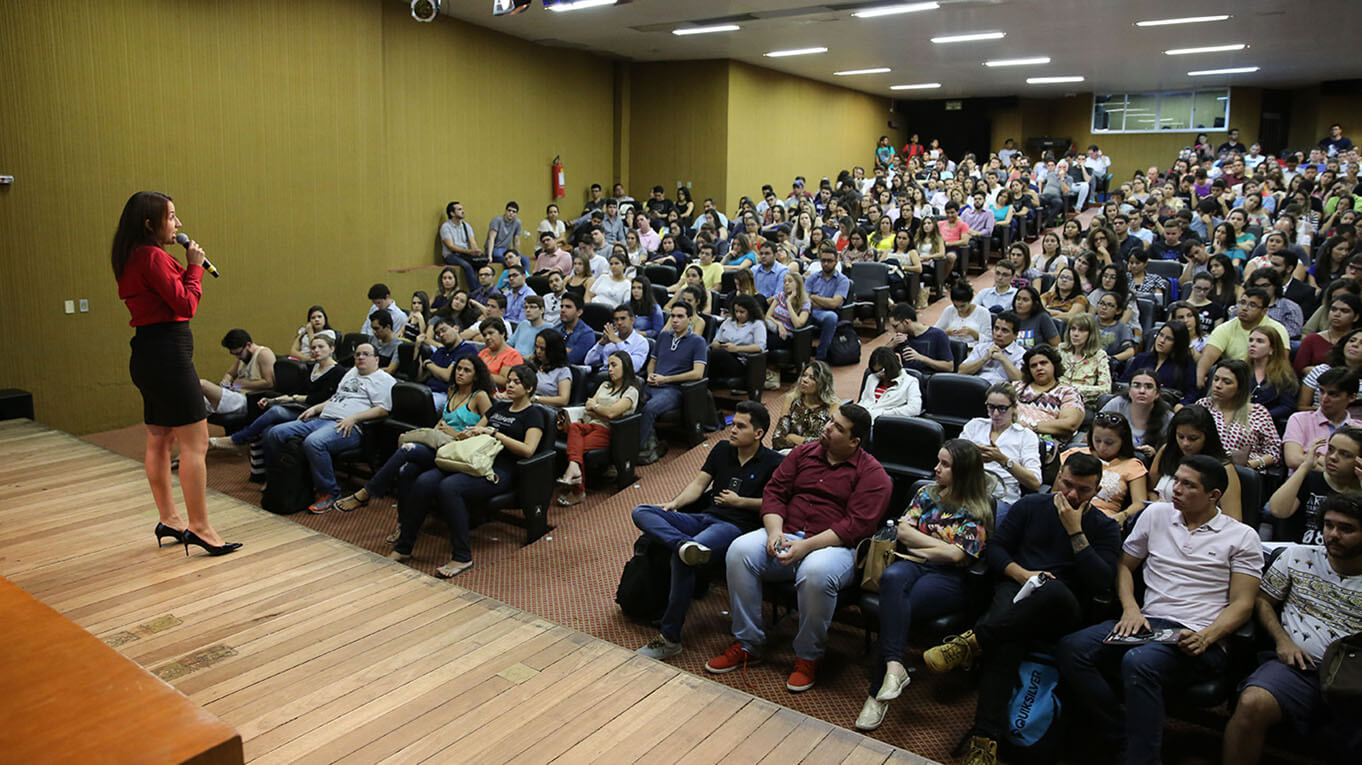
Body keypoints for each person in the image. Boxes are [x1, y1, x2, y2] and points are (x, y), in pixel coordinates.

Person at [1056, 455, 1263, 765]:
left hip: (1196, 636)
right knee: (1072, 648)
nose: (1174, 488)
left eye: (1187, 485)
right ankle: (1121, 733)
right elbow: (1124, 567)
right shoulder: (1156, 515)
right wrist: (1130, 609)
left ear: (1214, 495)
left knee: (1141, 662)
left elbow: (1243, 604)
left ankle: (1142, 758)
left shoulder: (1242, 536)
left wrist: (1208, 636)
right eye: (1176, 480)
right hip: (1148, 624)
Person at [922, 454, 1120, 765]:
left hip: (1063, 609)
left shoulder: (1104, 527)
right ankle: (984, 741)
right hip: (1016, 591)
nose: (1071, 495)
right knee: (1006, 643)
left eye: (1082, 490)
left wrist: (1074, 532)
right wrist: (1022, 574)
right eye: (1066, 485)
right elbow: (997, 549)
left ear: (1096, 490)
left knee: (1050, 588)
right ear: (1058, 478)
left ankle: (972, 641)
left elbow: (1100, 581)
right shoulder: (1031, 506)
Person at [705, 405, 891, 692]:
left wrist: (805, 546)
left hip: (835, 547)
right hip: (788, 531)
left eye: (838, 428)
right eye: (830, 421)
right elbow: (774, 493)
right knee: (739, 551)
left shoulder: (874, 476)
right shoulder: (802, 454)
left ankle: (807, 657)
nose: (828, 428)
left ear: (855, 442)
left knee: (815, 572)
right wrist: (774, 531)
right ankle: (748, 643)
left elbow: (855, 527)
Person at [113, 191, 239, 555]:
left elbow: (167, 295)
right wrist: (195, 266)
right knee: (195, 444)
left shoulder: (131, 255)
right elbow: (186, 304)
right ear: (150, 223)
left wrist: (185, 269)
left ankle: (170, 520)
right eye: (171, 216)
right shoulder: (152, 256)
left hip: (148, 354)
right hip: (168, 357)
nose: (178, 223)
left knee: (159, 438)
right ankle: (200, 528)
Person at [857, 440, 993, 731]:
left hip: (949, 579)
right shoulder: (925, 493)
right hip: (912, 563)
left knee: (896, 606)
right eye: (938, 461)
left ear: (964, 472)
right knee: (892, 579)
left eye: (945, 465)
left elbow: (956, 556)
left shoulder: (978, 511)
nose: (936, 469)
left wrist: (926, 547)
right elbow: (903, 531)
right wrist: (939, 546)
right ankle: (895, 667)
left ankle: (876, 695)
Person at [631, 402, 783, 659]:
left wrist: (740, 502)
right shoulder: (723, 449)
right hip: (703, 517)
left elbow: (778, 504)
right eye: (732, 424)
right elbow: (699, 483)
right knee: (642, 512)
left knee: (683, 560)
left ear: (758, 433)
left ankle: (670, 638)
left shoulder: (773, 462)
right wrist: (675, 504)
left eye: (740, 426)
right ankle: (682, 544)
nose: (732, 430)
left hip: (734, 528)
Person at [1223, 494, 1362, 765]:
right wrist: (1282, 639)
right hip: (1299, 666)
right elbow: (1262, 600)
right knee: (1252, 704)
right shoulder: (1298, 556)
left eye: (1346, 529)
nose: (1333, 535)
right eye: (1329, 525)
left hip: (1354, 675)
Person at [393, 365, 546, 579]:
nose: (509, 385)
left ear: (529, 388)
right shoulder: (498, 408)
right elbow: (474, 434)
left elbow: (528, 450)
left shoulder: (534, 414)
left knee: (449, 487)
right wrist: (463, 432)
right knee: (424, 481)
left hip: (500, 469)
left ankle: (462, 556)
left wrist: (495, 433)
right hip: (472, 459)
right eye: (509, 380)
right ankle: (404, 547)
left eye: (516, 382)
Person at [333, 355, 493, 516]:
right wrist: (437, 430)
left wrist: (456, 433)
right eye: (459, 369)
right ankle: (403, 524)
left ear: (476, 375)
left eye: (467, 370)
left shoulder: (480, 396)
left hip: (460, 450)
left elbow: (483, 434)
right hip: (440, 444)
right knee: (407, 471)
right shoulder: (452, 390)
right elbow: (444, 419)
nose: (460, 373)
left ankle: (367, 493)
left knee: (407, 449)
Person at [264, 342, 395, 514]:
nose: (360, 357)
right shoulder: (351, 372)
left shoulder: (384, 380)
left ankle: (330, 493)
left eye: (365, 354)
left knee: (314, 442)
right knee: (275, 433)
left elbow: (383, 410)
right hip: (322, 418)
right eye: (357, 354)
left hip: (348, 426)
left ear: (376, 359)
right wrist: (316, 408)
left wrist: (354, 418)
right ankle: (279, 479)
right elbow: (336, 397)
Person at [556, 351, 642, 506]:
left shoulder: (631, 391)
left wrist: (596, 407)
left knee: (576, 448)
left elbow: (612, 413)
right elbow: (589, 406)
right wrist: (598, 409)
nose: (609, 369)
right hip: (588, 425)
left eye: (614, 365)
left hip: (610, 431)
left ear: (626, 367)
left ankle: (577, 490)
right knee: (574, 427)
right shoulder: (604, 385)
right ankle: (574, 469)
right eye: (608, 365)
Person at [1269, 427, 1362, 545]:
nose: (1333, 457)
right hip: (1302, 554)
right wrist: (1305, 466)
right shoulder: (1310, 479)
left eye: (1344, 454)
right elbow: (1278, 511)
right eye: (1331, 449)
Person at [1147, 405, 1243, 519]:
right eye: (1180, 436)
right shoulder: (1166, 451)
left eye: (1193, 438)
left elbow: (1234, 519)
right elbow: (1150, 490)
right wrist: (1158, 506)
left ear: (1207, 437)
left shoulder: (1224, 469)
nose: (1185, 443)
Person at [639, 302, 708, 457]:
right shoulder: (663, 336)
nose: (675, 320)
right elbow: (652, 363)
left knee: (649, 409)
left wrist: (666, 379)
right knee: (630, 403)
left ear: (690, 319)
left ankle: (640, 450)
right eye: (673, 316)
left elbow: (698, 373)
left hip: (674, 389)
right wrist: (650, 374)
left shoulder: (698, 342)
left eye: (680, 316)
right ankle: (650, 444)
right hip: (653, 384)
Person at [961, 382, 1041, 514]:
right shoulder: (975, 425)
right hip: (967, 489)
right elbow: (953, 458)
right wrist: (973, 457)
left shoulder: (1025, 436)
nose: (996, 413)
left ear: (1014, 407)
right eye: (991, 407)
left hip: (1001, 497)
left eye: (1002, 408)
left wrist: (1003, 460)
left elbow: (1035, 482)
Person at [1063, 412, 1149, 526]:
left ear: (1123, 441)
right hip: (1066, 513)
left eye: (1109, 443)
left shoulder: (1132, 465)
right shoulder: (1074, 454)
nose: (1102, 447)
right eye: (1097, 440)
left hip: (1103, 521)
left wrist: (1122, 516)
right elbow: (1055, 492)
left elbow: (1140, 503)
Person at [1195, 359, 1282, 469]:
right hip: (1206, 467)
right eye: (1216, 379)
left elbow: (1274, 450)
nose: (1218, 385)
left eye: (1227, 382)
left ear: (1240, 387)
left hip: (1245, 471)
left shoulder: (1258, 412)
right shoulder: (1203, 405)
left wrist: (1252, 464)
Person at [1197, 288, 1290, 388]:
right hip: (1232, 379)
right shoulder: (1225, 328)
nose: (1244, 308)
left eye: (1252, 305)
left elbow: (1281, 361)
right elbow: (1208, 356)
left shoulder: (1277, 329)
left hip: (1266, 378)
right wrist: (1200, 377)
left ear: (1264, 311)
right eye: (1242, 303)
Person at [1013, 345, 1085, 455]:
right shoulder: (1017, 387)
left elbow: (1070, 424)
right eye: (1033, 366)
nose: (1039, 368)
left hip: (1042, 443)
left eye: (1043, 363)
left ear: (1054, 365)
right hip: (1009, 434)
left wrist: (1030, 426)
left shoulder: (1067, 392)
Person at [1284, 368, 1362, 470]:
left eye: (1333, 394)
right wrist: (1337, 469)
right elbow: (1293, 459)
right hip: (1304, 482)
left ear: (1352, 397)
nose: (1324, 398)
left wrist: (1317, 458)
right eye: (1321, 391)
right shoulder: (1299, 419)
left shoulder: (1358, 428)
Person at [200, 328, 277, 416]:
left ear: (248, 345)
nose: (238, 357)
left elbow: (270, 383)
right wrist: (226, 381)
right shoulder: (243, 357)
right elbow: (230, 374)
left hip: (248, 399)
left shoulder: (263, 354)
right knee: (199, 401)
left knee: (203, 385)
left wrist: (242, 384)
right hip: (236, 393)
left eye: (238, 353)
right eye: (234, 354)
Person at [1101, 368, 1172, 458]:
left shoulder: (1167, 417)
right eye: (1136, 385)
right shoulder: (1117, 404)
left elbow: (1170, 452)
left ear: (1157, 393)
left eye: (1149, 387)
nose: (1142, 391)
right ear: (1129, 390)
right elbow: (1093, 434)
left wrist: (1155, 452)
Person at [772, 361, 838, 451]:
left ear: (822, 383)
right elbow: (777, 439)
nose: (804, 380)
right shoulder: (791, 399)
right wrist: (807, 443)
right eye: (804, 375)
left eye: (812, 378)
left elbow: (827, 442)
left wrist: (792, 438)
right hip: (789, 453)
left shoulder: (832, 405)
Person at [1121, 321, 1199, 399]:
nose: (1162, 341)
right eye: (1161, 335)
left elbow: (1192, 393)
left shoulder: (1186, 364)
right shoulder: (1141, 358)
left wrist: (1181, 405)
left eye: (1169, 339)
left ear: (1178, 343)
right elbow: (1123, 384)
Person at [1294, 291, 1362, 375]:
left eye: (1344, 311)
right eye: (1333, 309)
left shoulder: (1358, 342)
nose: (1337, 314)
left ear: (1356, 317)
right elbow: (1299, 369)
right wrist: (1315, 371)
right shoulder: (1312, 339)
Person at [804, 244, 852, 361]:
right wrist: (823, 301)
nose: (825, 263)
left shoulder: (842, 280)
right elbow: (804, 299)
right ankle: (801, 356)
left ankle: (821, 357)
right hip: (809, 310)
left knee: (831, 317)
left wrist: (814, 297)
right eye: (823, 260)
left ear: (836, 262)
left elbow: (834, 303)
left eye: (829, 261)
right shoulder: (813, 277)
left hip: (828, 312)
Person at [708, 294, 767, 381]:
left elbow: (760, 347)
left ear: (750, 311)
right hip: (723, 354)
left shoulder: (757, 324)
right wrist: (718, 345)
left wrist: (736, 348)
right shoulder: (728, 321)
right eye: (736, 311)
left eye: (742, 312)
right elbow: (715, 341)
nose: (738, 315)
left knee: (718, 355)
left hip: (742, 361)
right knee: (706, 352)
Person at [1246, 326, 1299, 421]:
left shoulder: (1284, 375)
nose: (1252, 344)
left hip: (1268, 424)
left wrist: (1261, 417)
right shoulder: (1241, 370)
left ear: (1272, 348)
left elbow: (1287, 406)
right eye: (1251, 340)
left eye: (1259, 341)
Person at [1057, 314, 1112, 404]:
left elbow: (1106, 389)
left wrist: (1070, 388)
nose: (1075, 334)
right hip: (1055, 397)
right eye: (1073, 329)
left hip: (1081, 401)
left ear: (1091, 334)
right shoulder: (1061, 349)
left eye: (1081, 330)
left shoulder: (1099, 355)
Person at [857, 346, 923, 421]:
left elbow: (914, 409)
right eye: (876, 372)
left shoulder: (910, 382)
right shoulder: (872, 378)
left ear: (891, 366)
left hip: (885, 422)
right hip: (862, 420)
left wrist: (883, 414)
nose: (880, 375)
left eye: (882, 370)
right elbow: (863, 401)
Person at [960, 311, 1025, 385]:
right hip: (976, 387)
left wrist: (1003, 359)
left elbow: (1019, 379)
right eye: (996, 328)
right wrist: (984, 359)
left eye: (1004, 331)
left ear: (1015, 335)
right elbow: (961, 371)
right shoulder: (980, 348)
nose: (998, 334)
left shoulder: (1021, 354)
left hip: (1002, 392)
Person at [887, 302, 953, 374]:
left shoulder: (937, 335)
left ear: (906, 322)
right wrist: (892, 345)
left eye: (895, 326)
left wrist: (922, 358)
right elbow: (879, 356)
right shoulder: (900, 337)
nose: (894, 331)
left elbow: (949, 367)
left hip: (928, 380)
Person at [935, 281, 992, 349]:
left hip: (973, 349)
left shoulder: (983, 312)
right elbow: (935, 331)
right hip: (950, 347)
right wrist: (946, 333)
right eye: (956, 306)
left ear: (970, 301)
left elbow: (989, 340)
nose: (959, 309)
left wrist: (973, 333)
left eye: (962, 306)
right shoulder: (949, 310)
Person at [439, 201, 483, 287]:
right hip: (451, 255)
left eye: (462, 209)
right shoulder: (446, 227)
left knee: (481, 265)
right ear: (452, 213)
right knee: (467, 266)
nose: (463, 211)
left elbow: (472, 241)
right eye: (459, 209)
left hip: (465, 254)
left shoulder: (466, 226)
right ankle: (475, 291)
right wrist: (469, 252)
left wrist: (476, 252)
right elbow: (451, 247)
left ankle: (483, 290)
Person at [1011, 285, 1060, 350]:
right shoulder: (1008, 316)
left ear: (1035, 303)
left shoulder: (1043, 317)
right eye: (1018, 298)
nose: (1020, 302)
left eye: (1025, 300)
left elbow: (1056, 345)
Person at [555, 294, 596, 366]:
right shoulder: (556, 329)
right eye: (561, 306)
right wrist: (566, 350)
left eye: (568, 307)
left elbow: (572, 359)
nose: (563, 310)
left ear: (579, 312)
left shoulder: (587, 334)